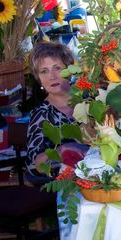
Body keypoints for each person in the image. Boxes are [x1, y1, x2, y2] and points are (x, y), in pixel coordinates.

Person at [27, 42, 76, 181]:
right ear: (39, 78)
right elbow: (35, 164)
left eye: (57, 68)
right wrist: (62, 150)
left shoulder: (90, 100)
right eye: (44, 71)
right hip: (68, 183)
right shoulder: (41, 114)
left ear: (69, 69)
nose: (52, 76)